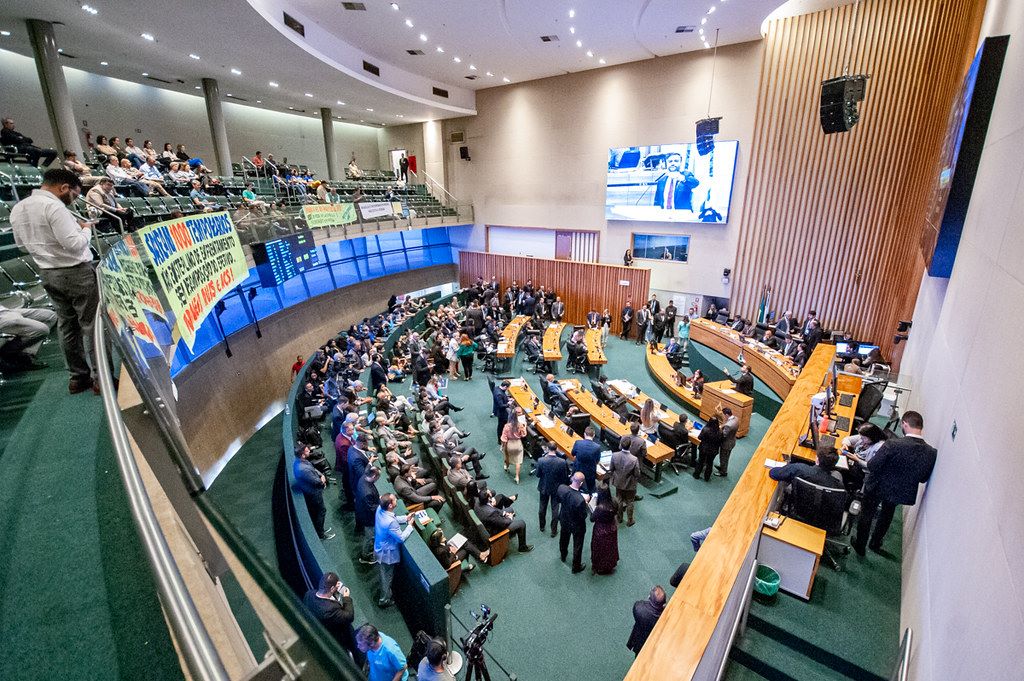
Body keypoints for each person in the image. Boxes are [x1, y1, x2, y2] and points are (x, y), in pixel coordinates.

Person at [10, 169, 101, 393]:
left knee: (67, 325)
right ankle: (102, 379)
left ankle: (78, 378)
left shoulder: (19, 208)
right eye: (74, 195)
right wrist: (86, 230)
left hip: (48, 273)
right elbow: (75, 244)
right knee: (92, 325)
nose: (74, 200)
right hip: (75, 273)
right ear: (63, 188)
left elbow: (22, 246)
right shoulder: (54, 207)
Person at [852, 411, 937, 556]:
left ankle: (860, 546)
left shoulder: (893, 444)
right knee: (886, 515)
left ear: (904, 424)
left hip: (877, 486)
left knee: (867, 515)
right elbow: (923, 478)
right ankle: (875, 543)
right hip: (900, 492)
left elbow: (872, 466)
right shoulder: (931, 452)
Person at [303, 572, 358, 661]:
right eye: (336, 586)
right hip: (336, 637)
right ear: (332, 588)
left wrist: (335, 593)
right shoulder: (329, 610)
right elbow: (349, 616)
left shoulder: (309, 594)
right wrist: (346, 598)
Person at [374, 493, 414, 607]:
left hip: (380, 547)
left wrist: (406, 518)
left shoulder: (380, 509)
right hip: (386, 554)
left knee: (385, 576)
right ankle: (384, 600)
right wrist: (410, 526)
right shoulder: (390, 522)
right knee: (386, 578)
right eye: (394, 499)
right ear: (390, 505)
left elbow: (394, 518)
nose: (396, 500)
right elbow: (400, 538)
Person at [0, 301, 57, 372]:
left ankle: (25, 353)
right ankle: (8, 353)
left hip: (6, 310)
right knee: (42, 329)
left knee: (50, 316)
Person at [294, 444, 334, 539]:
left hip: (314, 490)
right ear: (303, 455)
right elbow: (316, 482)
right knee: (321, 512)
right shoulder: (303, 469)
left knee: (318, 512)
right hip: (313, 494)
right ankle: (320, 534)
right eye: (307, 451)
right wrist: (322, 480)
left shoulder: (303, 462)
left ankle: (320, 529)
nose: (309, 452)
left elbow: (314, 469)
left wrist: (321, 475)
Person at [557, 472, 592, 574]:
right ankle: (576, 566)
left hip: (564, 519)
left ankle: (563, 555)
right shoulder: (580, 500)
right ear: (581, 484)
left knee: (563, 538)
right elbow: (583, 516)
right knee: (577, 545)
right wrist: (586, 504)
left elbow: (559, 500)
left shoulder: (561, 488)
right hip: (577, 525)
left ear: (572, 478)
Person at [769, 444, 844, 488]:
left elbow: (773, 473)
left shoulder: (799, 468)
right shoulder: (837, 486)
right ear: (834, 465)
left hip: (798, 506)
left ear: (817, 460)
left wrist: (787, 467)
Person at [535, 441, 570, 536]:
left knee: (542, 507)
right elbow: (565, 478)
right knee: (555, 509)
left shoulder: (541, 460)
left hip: (544, 487)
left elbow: (538, 475)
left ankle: (542, 526)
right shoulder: (562, 462)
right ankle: (553, 531)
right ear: (556, 449)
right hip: (556, 489)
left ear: (547, 448)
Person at [626, 586, 667, 657]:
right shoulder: (664, 616)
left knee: (639, 652)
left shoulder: (639, 608)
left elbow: (638, 604)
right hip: (656, 640)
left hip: (640, 637)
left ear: (649, 597)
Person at [609, 436, 640, 526]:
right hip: (630, 484)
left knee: (619, 500)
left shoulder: (614, 455)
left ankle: (619, 518)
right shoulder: (634, 459)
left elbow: (611, 469)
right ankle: (630, 520)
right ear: (630, 446)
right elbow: (637, 474)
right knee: (630, 501)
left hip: (618, 482)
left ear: (620, 445)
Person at [590, 487, 619, 575]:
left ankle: (598, 566)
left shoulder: (600, 507)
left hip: (601, 530)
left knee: (598, 549)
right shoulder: (614, 501)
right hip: (612, 528)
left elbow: (592, 519)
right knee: (610, 548)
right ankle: (609, 565)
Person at [567, 426, 601, 493]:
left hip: (577, 469)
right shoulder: (597, 447)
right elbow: (597, 460)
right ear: (593, 435)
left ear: (584, 434)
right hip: (589, 472)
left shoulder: (578, 442)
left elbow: (573, 453)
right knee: (589, 489)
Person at [500, 407, 527, 483]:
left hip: (509, 444)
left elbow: (504, 438)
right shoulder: (521, 425)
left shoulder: (507, 426)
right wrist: (525, 426)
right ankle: (517, 477)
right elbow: (524, 435)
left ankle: (506, 467)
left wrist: (503, 446)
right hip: (518, 444)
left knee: (507, 457)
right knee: (518, 461)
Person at [694, 415, 722, 481]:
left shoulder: (706, 429)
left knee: (700, 461)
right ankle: (707, 478)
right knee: (710, 463)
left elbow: (699, 437)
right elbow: (720, 441)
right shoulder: (720, 432)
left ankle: (696, 475)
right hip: (713, 451)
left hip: (704, 449)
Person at [717, 407, 739, 477]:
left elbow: (723, 435)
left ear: (726, 415)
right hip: (732, 440)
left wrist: (719, 429)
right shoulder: (735, 418)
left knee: (724, 458)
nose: (723, 417)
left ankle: (723, 472)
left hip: (726, 444)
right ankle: (722, 467)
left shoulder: (728, 426)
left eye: (723, 415)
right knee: (725, 457)